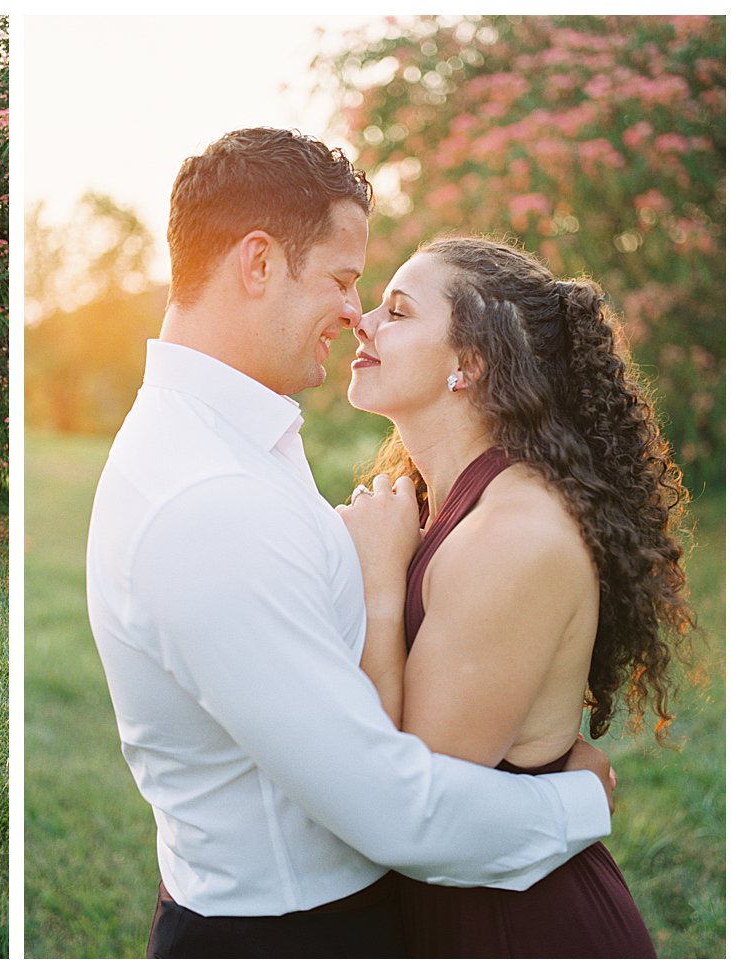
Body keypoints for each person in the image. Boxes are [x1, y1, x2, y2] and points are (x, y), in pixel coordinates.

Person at [85, 127, 616, 959]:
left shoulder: (240, 438)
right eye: (341, 279)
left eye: (380, 298)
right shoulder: (207, 502)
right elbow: (391, 809)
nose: (352, 312)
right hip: (288, 937)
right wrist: (580, 800)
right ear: (258, 265)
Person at [338, 235, 692, 957]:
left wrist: (379, 586)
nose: (362, 322)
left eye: (398, 312)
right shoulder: (436, 498)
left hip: (521, 929)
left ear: (469, 364)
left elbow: (413, 793)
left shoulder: (514, 534)